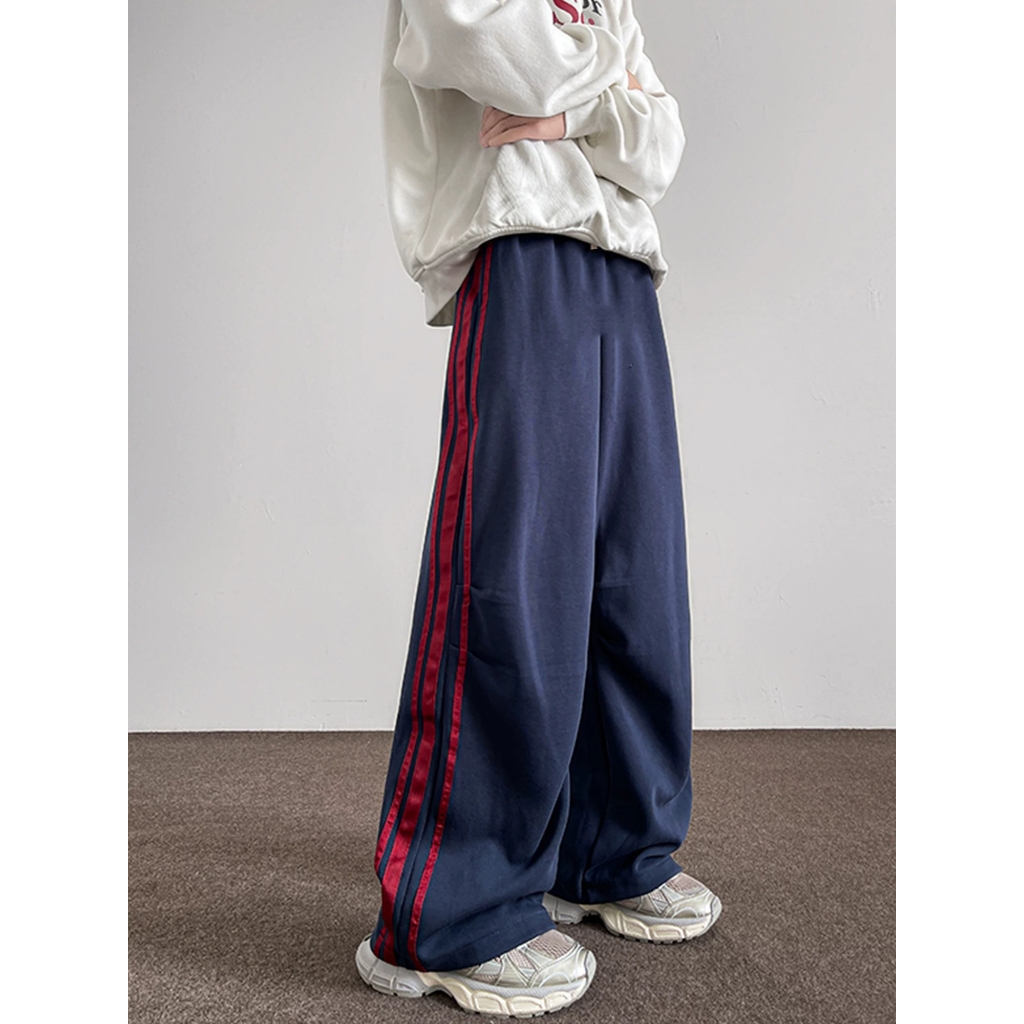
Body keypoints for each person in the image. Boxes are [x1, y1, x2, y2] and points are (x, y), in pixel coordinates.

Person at [355, 0, 721, 1015]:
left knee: (635, 578)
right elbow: (499, 54)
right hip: (517, 249)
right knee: (510, 581)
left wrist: (573, 107)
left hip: (623, 269)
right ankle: (449, 912)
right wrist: (603, 86)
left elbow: (661, 146)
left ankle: (609, 850)